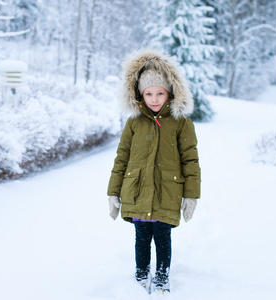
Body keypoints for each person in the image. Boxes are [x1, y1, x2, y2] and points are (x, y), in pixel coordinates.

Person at [107, 48, 201, 293]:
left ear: (170, 92)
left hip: (167, 193)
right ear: (140, 94)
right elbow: (121, 159)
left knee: (162, 236)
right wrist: (113, 193)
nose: (155, 99)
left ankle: (161, 275)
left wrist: (191, 195)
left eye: (160, 93)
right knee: (141, 237)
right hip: (136, 192)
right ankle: (141, 273)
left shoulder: (181, 123)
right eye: (149, 93)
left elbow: (191, 161)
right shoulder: (134, 122)